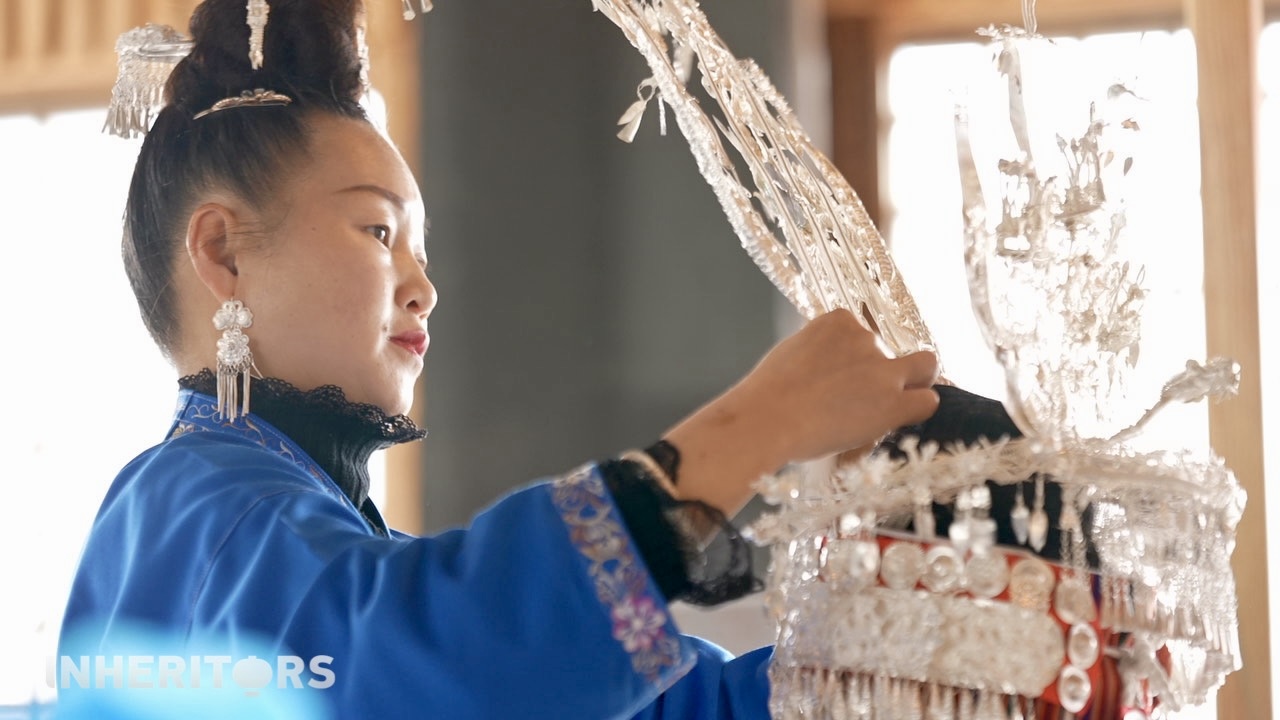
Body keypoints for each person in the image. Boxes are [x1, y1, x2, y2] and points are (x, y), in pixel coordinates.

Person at [58, 0, 940, 717]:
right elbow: (448, 672)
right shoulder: (190, 517)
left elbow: (671, 706)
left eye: (422, 245)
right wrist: (762, 422)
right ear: (224, 252)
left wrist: (912, 664)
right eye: (377, 230)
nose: (423, 286)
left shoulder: (322, 552)